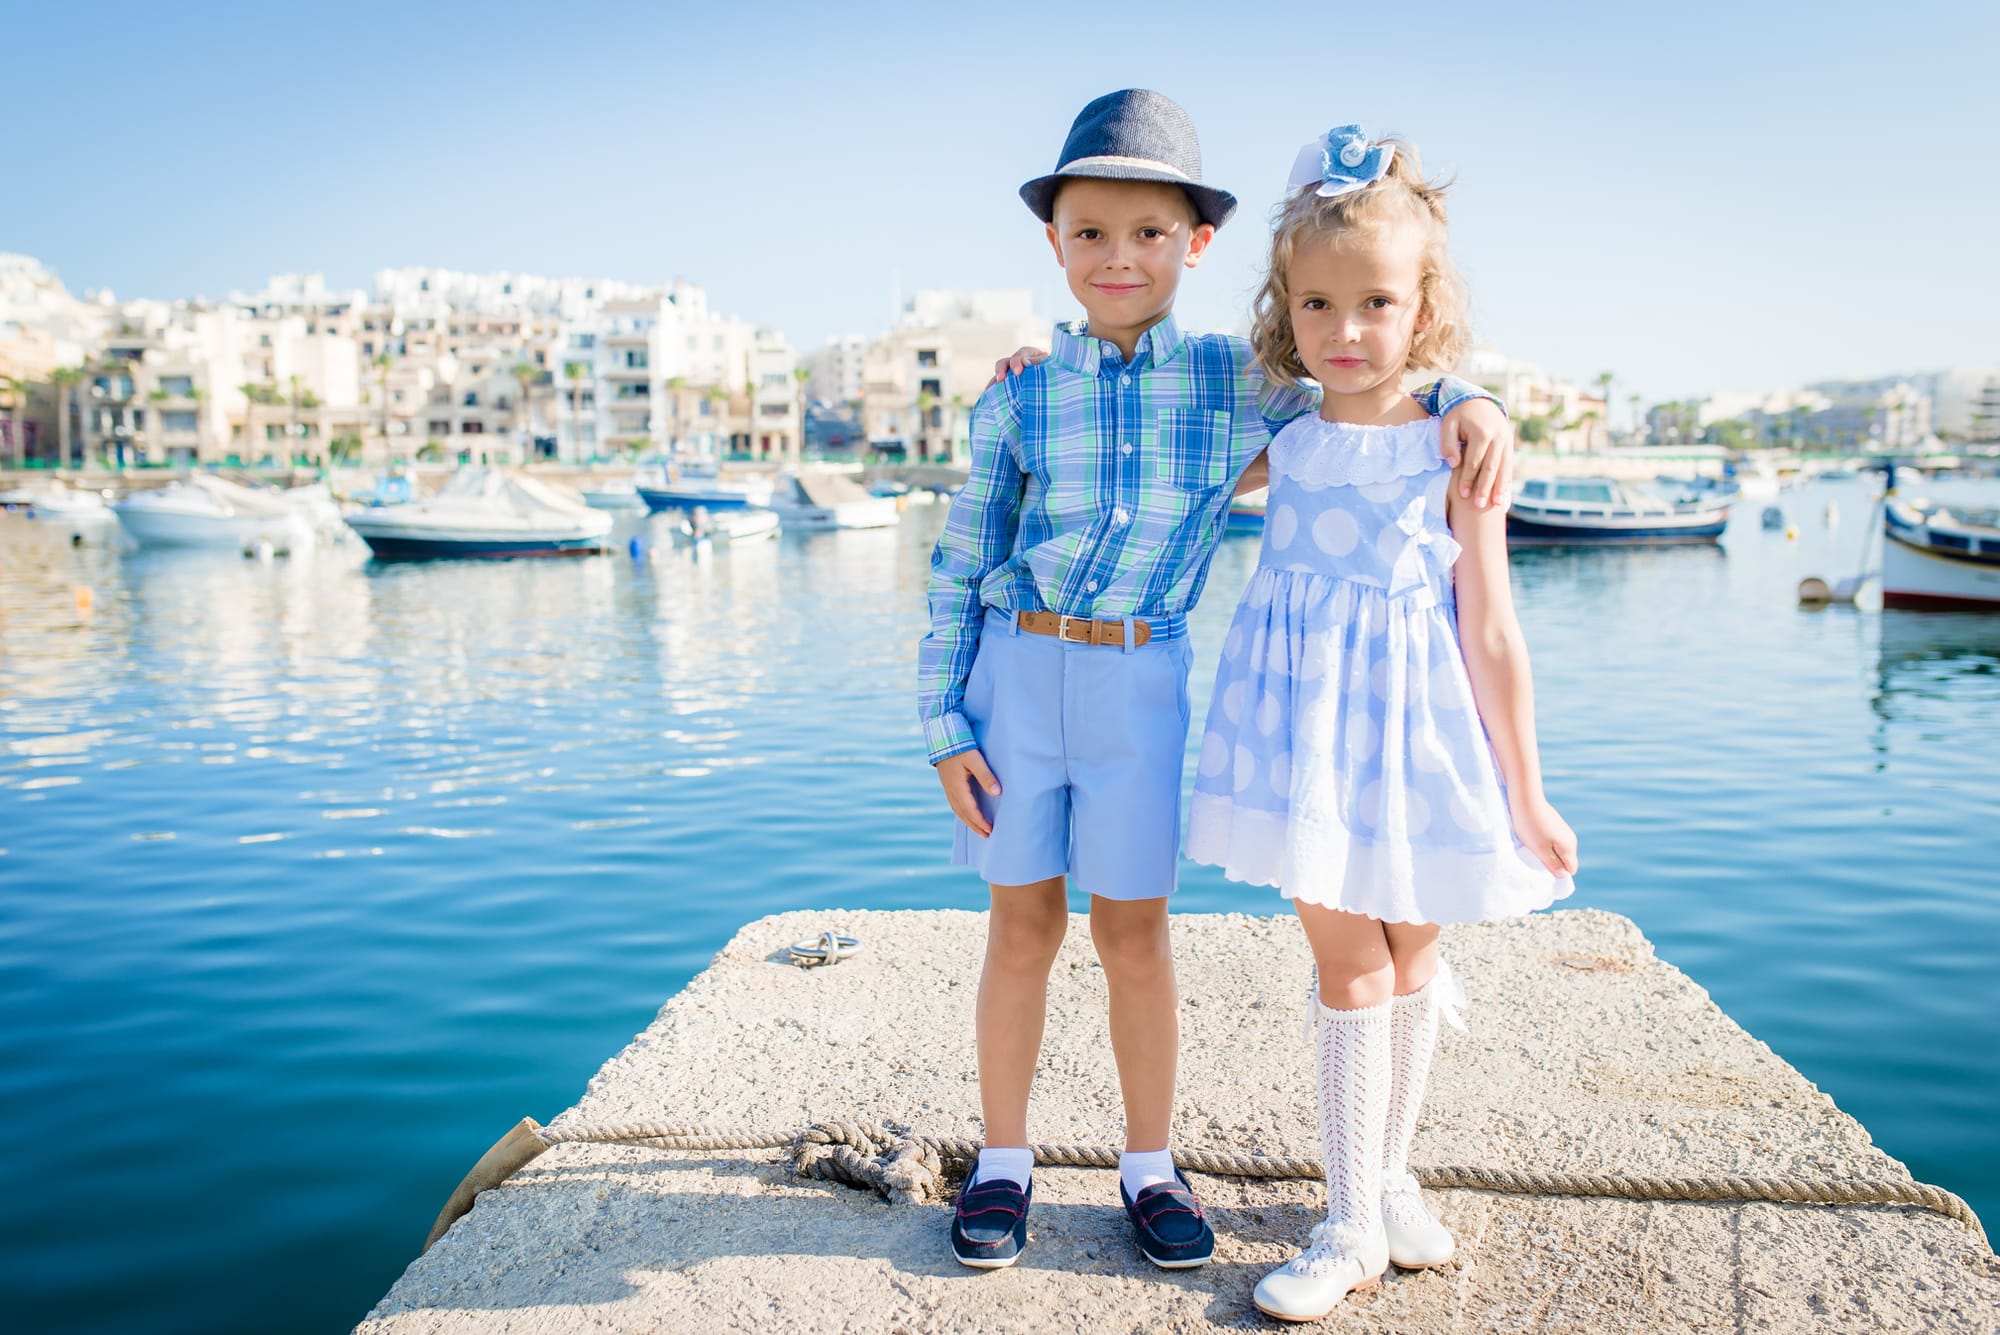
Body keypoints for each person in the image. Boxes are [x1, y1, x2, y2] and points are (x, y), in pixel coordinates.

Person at [916, 90, 1516, 1273]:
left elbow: (1369, 386)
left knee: (1136, 934)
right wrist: (944, 721)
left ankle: (1149, 1166)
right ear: (1053, 243)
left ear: (1195, 245)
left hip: (1141, 683)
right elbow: (960, 558)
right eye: (1089, 232)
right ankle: (1003, 1161)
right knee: (1020, 925)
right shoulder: (1021, 394)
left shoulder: (1240, 384)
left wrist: (1471, 396)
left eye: (1148, 233)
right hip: (1013, 680)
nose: (1117, 256)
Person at [1184, 125, 1578, 1321]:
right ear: (1283, 305)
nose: (1343, 332)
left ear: (1422, 309)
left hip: (1415, 737)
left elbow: (1494, 632)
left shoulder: (1451, 447)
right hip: (1300, 737)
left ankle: (1385, 1180)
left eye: (1374, 304)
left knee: (1413, 955)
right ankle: (1350, 1221)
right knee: (1348, 959)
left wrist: (1526, 791)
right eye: (1316, 304)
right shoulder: (1282, 438)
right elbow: (1161, 403)